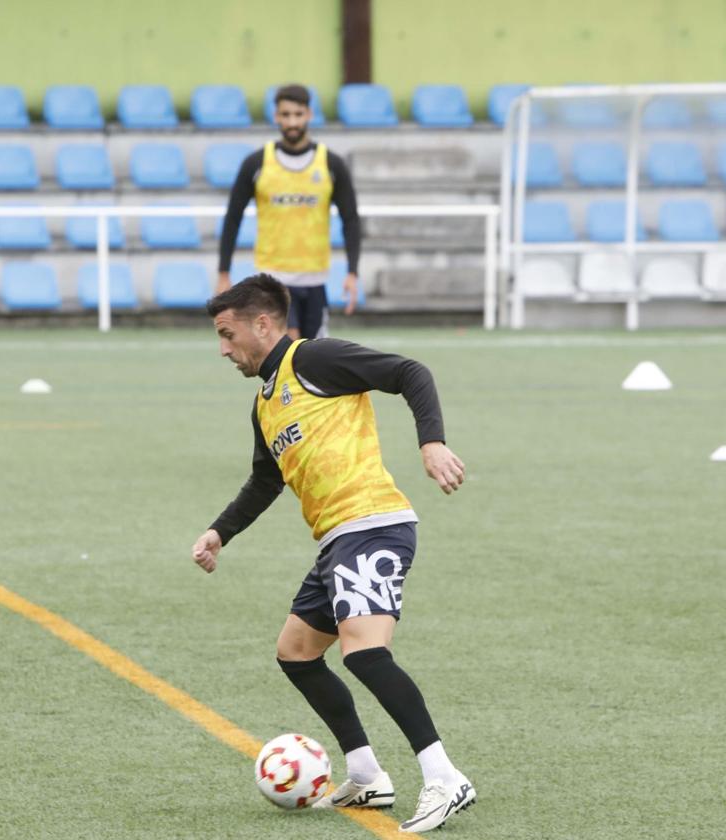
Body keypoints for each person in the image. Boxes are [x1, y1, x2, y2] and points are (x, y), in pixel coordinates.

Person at [190, 275, 474, 833]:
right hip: (337, 540)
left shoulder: (314, 359)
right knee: (296, 652)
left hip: (373, 524)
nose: (222, 349)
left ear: (263, 324)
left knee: (365, 653)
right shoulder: (265, 403)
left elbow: (409, 372)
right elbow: (264, 480)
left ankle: (444, 776)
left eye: (227, 334)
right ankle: (367, 774)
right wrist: (220, 532)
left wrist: (431, 440)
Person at [215, 84, 361, 340]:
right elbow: (233, 218)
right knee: (288, 351)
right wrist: (223, 272)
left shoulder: (331, 164)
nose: (292, 122)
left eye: (298, 114)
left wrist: (352, 272)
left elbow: (350, 219)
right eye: (286, 115)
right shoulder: (257, 164)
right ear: (276, 116)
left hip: (314, 279)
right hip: (275, 280)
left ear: (309, 115)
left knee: (314, 357)